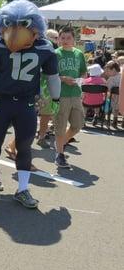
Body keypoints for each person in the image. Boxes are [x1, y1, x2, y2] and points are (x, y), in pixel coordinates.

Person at [0, 0, 60, 209]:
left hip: (25, 103)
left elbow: (53, 77)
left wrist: (57, 98)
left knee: (24, 145)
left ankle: (22, 189)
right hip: (0, 101)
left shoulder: (44, 47)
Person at [54, 26, 87, 168]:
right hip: (61, 95)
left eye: (69, 38)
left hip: (76, 95)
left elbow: (84, 73)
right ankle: (59, 155)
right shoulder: (55, 54)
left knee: (77, 125)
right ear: (59, 39)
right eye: (63, 38)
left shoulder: (79, 54)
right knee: (60, 127)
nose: (65, 40)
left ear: (74, 39)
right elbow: (48, 75)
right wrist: (63, 78)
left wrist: (79, 80)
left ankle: (59, 145)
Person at [104, 60, 121, 129]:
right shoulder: (122, 76)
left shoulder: (111, 79)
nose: (107, 73)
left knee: (114, 106)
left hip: (114, 99)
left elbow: (108, 89)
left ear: (113, 70)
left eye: (108, 71)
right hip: (122, 99)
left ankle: (115, 118)